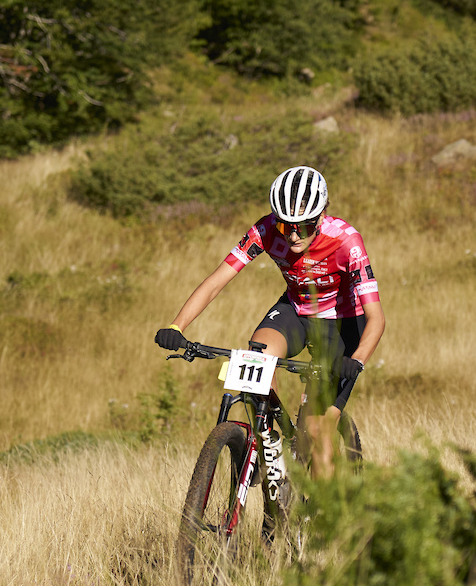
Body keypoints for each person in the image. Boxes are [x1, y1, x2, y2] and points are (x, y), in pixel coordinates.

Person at [155, 166, 386, 478]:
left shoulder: (347, 242)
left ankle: (326, 520)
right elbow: (217, 281)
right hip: (296, 309)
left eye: (302, 227)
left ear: (321, 216)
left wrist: (356, 360)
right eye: (285, 225)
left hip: (342, 324)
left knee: (317, 431)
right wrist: (176, 326)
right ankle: (270, 444)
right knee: (258, 354)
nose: (292, 235)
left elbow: (376, 318)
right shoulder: (265, 230)